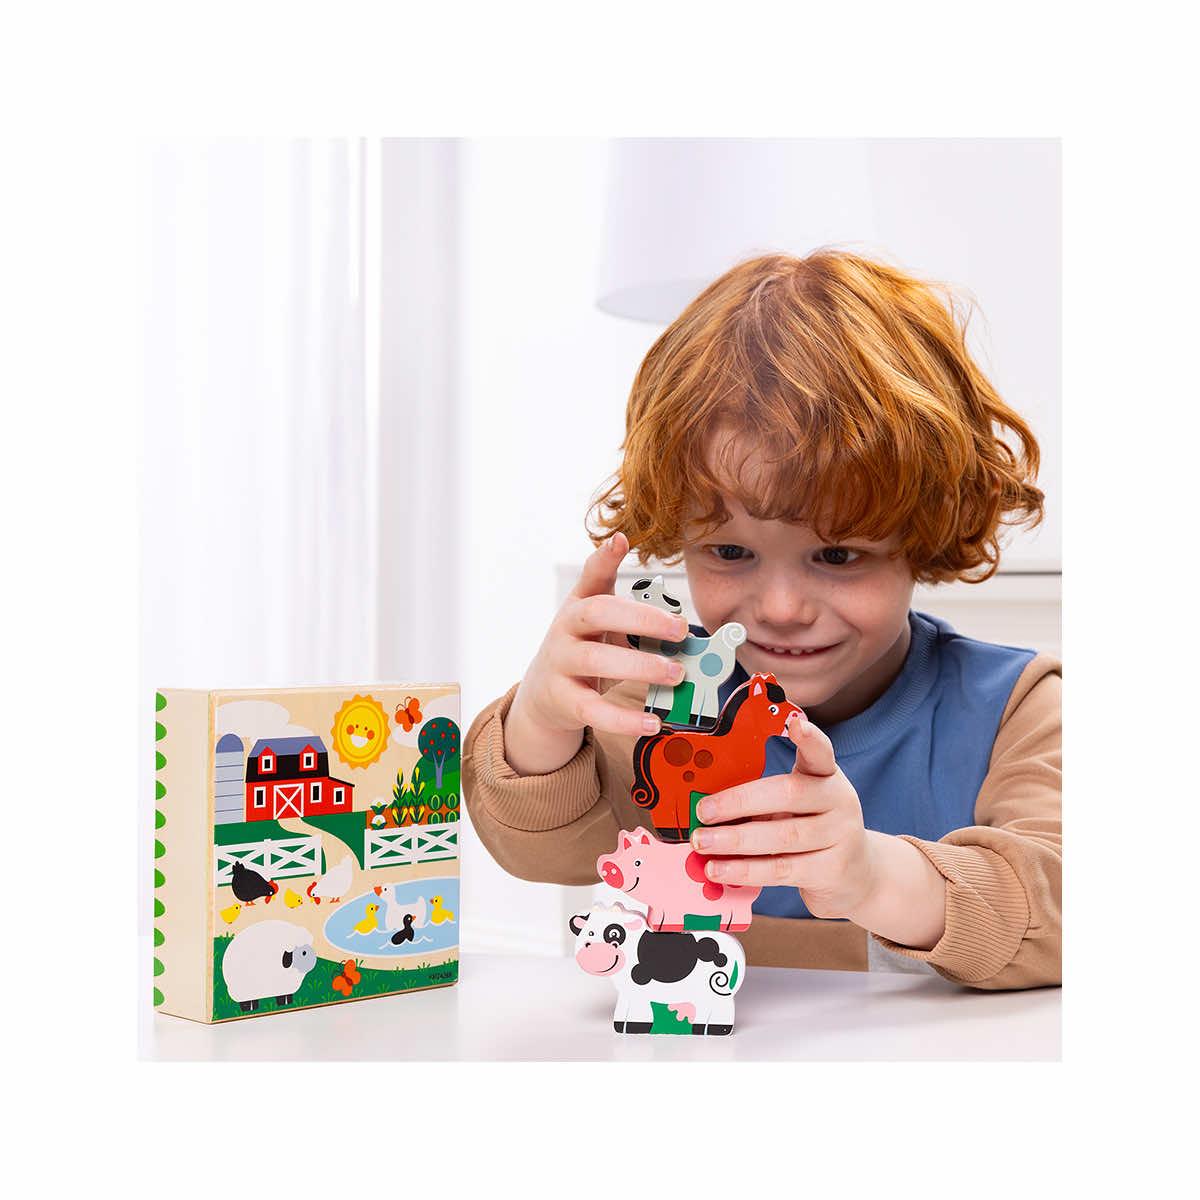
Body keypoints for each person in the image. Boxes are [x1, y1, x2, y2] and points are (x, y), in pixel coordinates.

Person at [462, 249, 1061, 991]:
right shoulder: (666, 694)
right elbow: (538, 849)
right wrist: (545, 718)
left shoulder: (1016, 710)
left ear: (924, 531)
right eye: (730, 551)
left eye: (837, 554)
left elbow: (1059, 906)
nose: (780, 608)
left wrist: (871, 875)